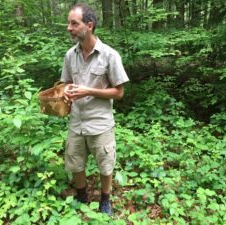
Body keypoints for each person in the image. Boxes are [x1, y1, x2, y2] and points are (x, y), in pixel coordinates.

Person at [60, 3, 129, 216]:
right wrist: (64, 91)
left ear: (89, 25)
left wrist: (88, 91)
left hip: (100, 123)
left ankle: (105, 200)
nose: (69, 27)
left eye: (74, 23)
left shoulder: (110, 55)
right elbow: (64, 83)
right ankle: (81, 195)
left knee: (105, 165)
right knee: (75, 162)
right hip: (76, 122)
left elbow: (119, 92)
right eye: (69, 23)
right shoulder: (70, 55)